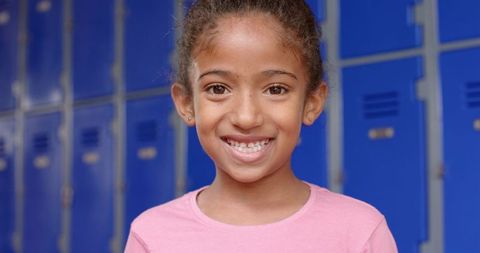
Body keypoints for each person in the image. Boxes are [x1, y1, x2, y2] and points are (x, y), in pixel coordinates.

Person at [125, 0, 398, 252]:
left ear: (312, 103)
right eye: (218, 88)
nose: (246, 117)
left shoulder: (360, 232)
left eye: (276, 89)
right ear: (186, 103)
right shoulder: (152, 236)